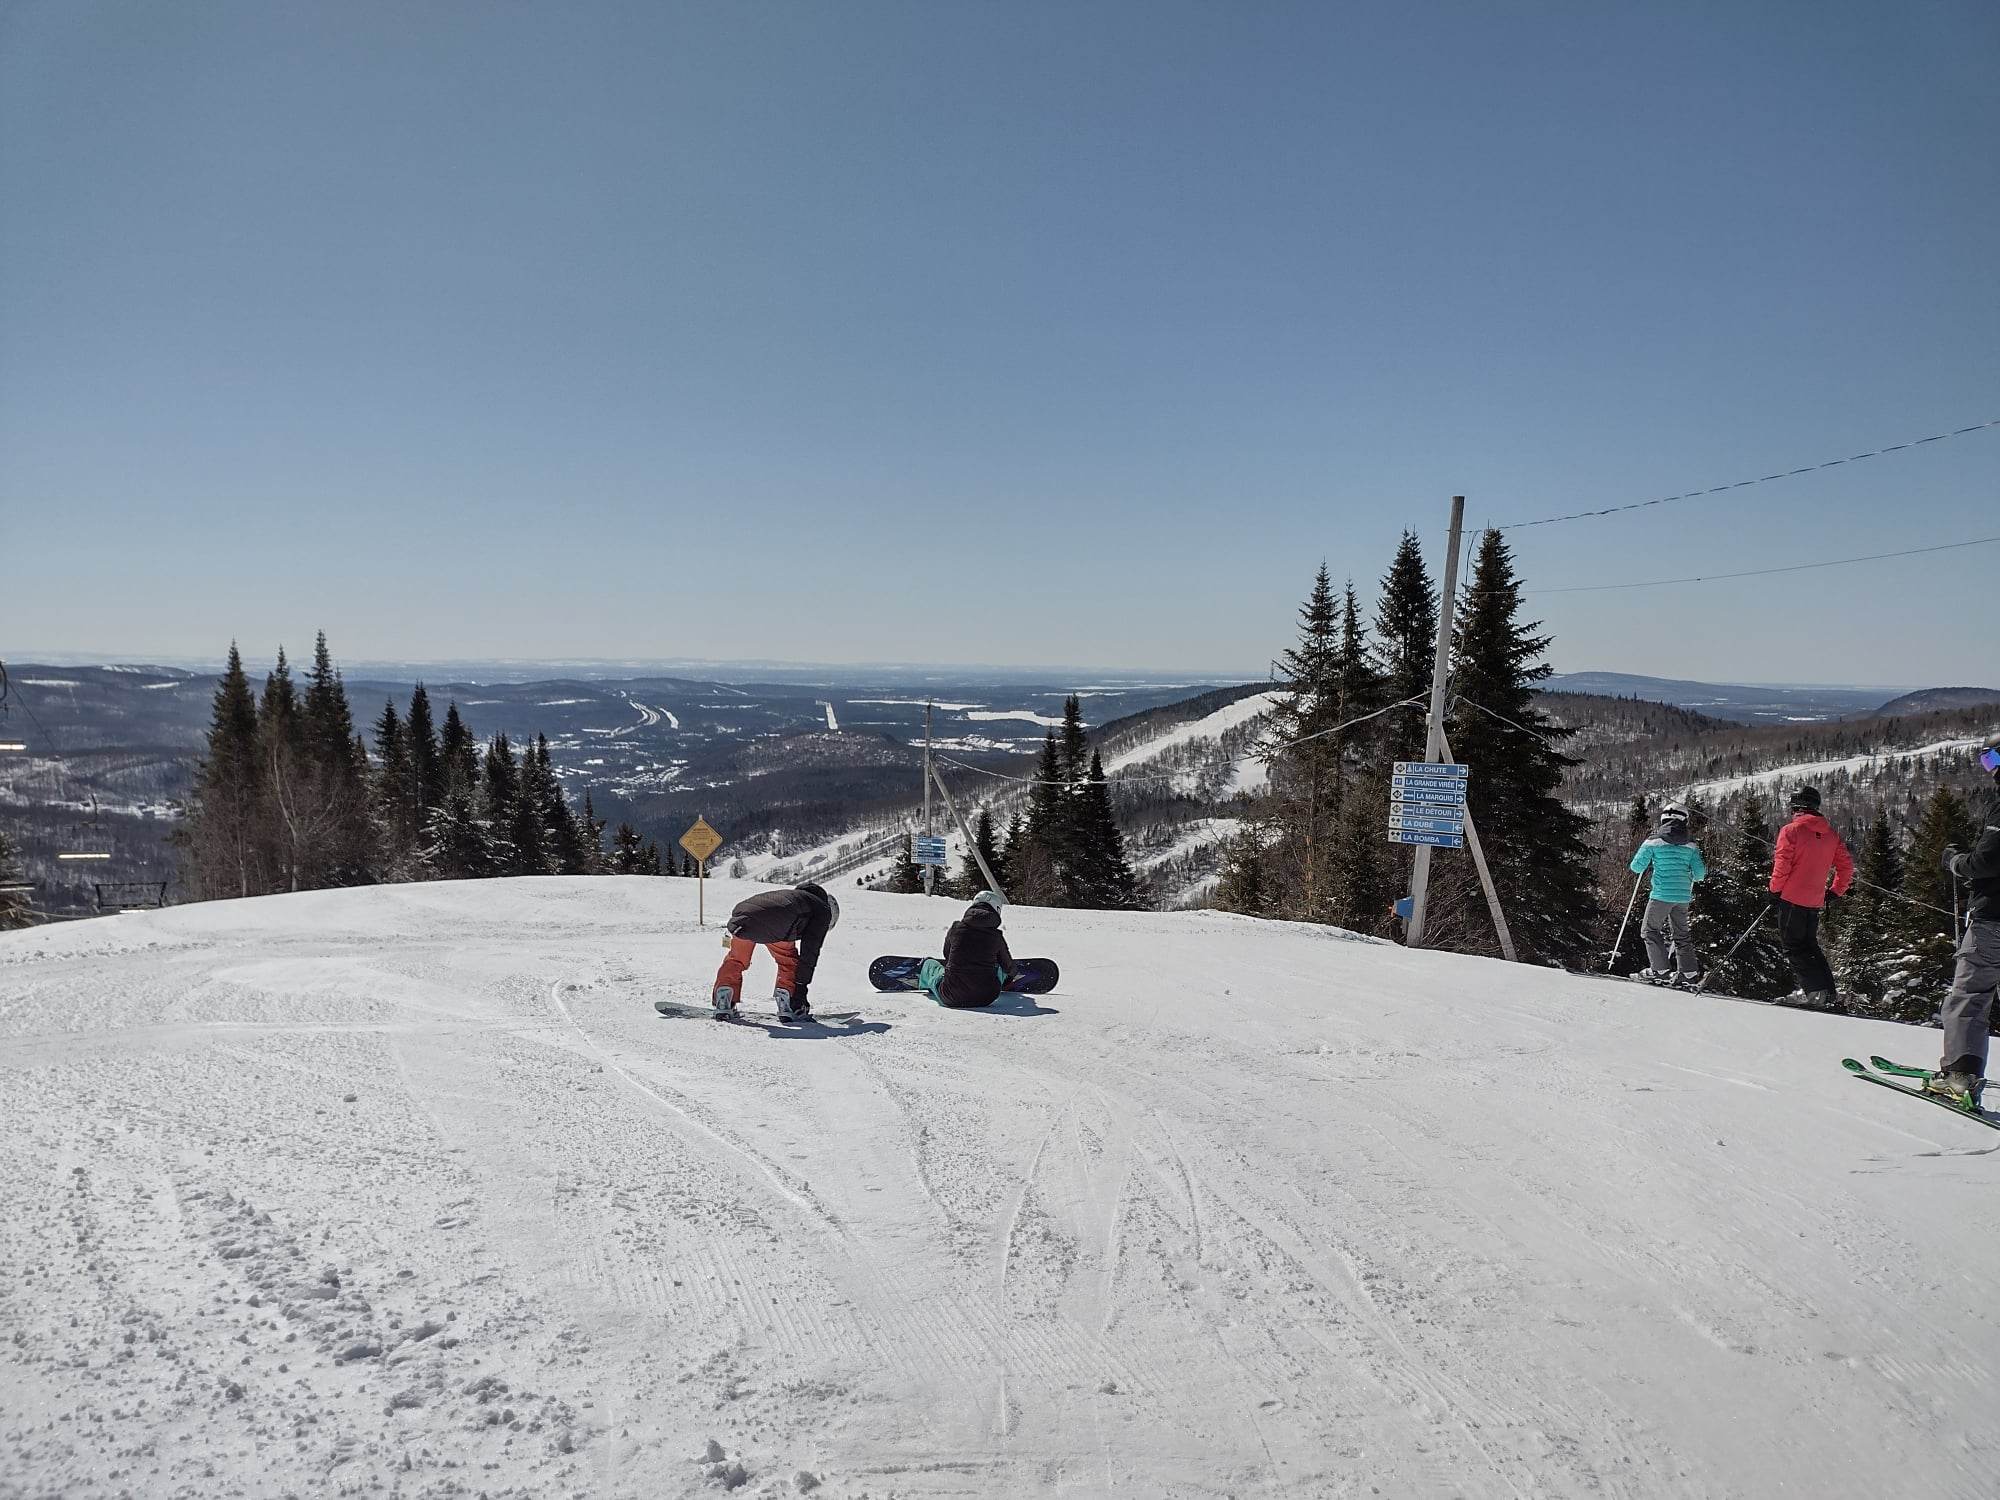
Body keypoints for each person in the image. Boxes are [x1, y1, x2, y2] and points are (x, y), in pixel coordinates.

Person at [1933, 733, 2000, 1108]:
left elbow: (1987, 861)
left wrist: (1957, 861)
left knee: (1971, 996)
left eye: (1992, 760)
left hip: (1994, 919)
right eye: (1986, 762)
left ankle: (1960, 1075)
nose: (1991, 770)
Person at [1767, 786, 1854, 1009]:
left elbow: (1782, 865)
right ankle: (1828, 994)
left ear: (1799, 807)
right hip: (1814, 901)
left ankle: (1815, 994)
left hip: (1791, 898)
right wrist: (1835, 891)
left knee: (1794, 947)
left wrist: (1774, 890)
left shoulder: (1791, 830)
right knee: (1810, 946)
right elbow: (1846, 867)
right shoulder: (1831, 835)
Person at [711, 881, 839, 1020]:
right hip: (778, 923)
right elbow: (809, 953)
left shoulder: (796, 897)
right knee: (788, 961)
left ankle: (724, 1001)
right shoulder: (821, 909)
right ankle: (788, 1005)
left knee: (736, 960)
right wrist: (800, 990)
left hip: (741, 919)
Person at [1628, 802, 1707, 985]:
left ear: (1664, 818)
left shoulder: (1653, 841)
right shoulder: (1691, 844)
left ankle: (1660, 970)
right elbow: (1700, 874)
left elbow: (1636, 867)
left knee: (1649, 930)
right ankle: (1688, 973)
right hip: (1682, 897)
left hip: (1661, 895)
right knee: (1681, 935)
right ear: (1685, 820)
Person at [917, 890, 1016, 1009]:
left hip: (951, 995)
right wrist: (1010, 975)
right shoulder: (997, 936)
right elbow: (1008, 966)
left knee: (929, 963)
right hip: (987, 997)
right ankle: (1003, 981)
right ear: (997, 910)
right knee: (1000, 967)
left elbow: (947, 954)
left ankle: (924, 979)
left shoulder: (956, 928)